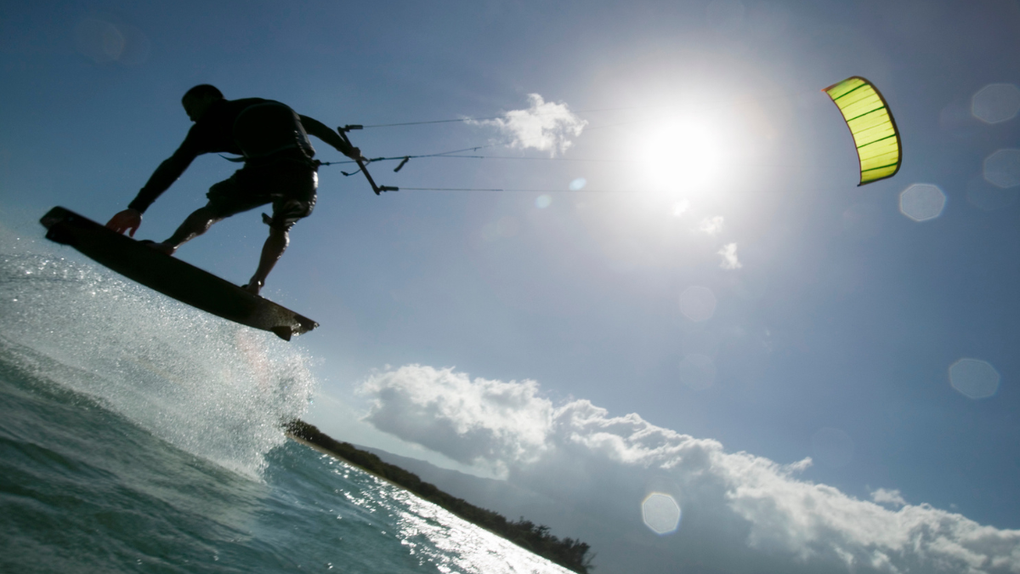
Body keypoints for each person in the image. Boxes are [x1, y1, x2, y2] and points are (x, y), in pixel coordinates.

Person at [106, 84, 364, 295]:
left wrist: (137, 207)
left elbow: (174, 165)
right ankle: (257, 284)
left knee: (215, 209)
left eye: (190, 108)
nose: (191, 116)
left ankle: (170, 245)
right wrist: (347, 150)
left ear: (209, 97)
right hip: (303, 176)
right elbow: (317, 128)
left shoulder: (212, 121)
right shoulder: (268, 104)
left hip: (263, 171)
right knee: (281, 226)